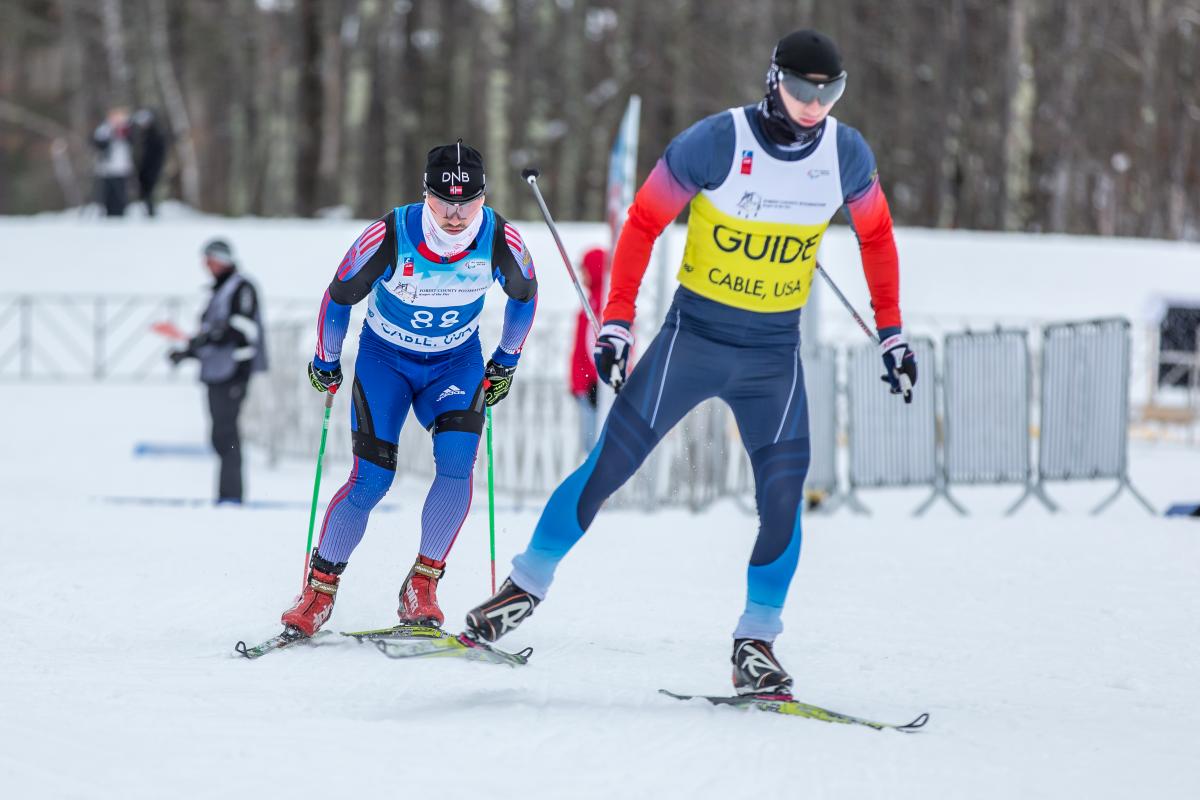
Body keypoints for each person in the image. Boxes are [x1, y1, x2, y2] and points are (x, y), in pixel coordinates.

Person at [464, 29, 917, 697]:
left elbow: (876, 236)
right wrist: (617, 320)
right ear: (774, 80)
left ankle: (755, 644)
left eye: (830, 92)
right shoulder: (718, 142)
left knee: (784, 500)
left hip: (772, 356)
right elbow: (644, 221)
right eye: (801, 89)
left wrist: (892, 334)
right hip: (694, 340)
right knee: (608, 467)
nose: (814, 105)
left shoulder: (845, 154)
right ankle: (520, 589)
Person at [280, 140, 538, 637]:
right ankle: (319, 590)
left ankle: (422, 585)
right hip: (386, 362)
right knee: (372, 480)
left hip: (455, 364)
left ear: (484, 197)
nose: (457, 214)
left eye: (469, 202)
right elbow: (339, 297)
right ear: (427, 194)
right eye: (445, 202)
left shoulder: (502, 238)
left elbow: (525, 297)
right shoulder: (391, 234)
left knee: (458, 463)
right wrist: (325, 359)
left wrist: (505, 360)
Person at [168, 239, 268, 505]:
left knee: (227, 434)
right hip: (216, 372)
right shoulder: (219, 289)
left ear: (222, 259)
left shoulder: (241, 287)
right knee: (219, 435)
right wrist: (188, 351)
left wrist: (206, 339)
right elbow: (212, 334)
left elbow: (240, 330)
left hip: (233, 371)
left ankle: (231, 497)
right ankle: (227, 495)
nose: (206, 266)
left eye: (209, 260)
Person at [568, 247, 606, 454]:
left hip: (594, 388)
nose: (583, 275)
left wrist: (595, 380)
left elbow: (597, 345)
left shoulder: (601, 303)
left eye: (585, 270)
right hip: (586, 387)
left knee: (594, 447)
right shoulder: (592, 300)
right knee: (589, 444)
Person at [92, 107, 134, 217]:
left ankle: (120, 213)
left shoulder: (128, 129)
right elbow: (98, 143)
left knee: (121, 194)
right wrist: (112, 135)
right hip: (106, 168)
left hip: (122, 167)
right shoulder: (104, 129)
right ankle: (108, 213)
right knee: (107, 194)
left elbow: (133, 141)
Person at [131, 108, 169, 217]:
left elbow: (157, 154)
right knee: (146, 190)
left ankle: (151, 211)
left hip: (152, 167)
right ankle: (149, 211)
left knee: (149, 189)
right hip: (146, 167)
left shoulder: (155, 134)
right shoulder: (146, 134)